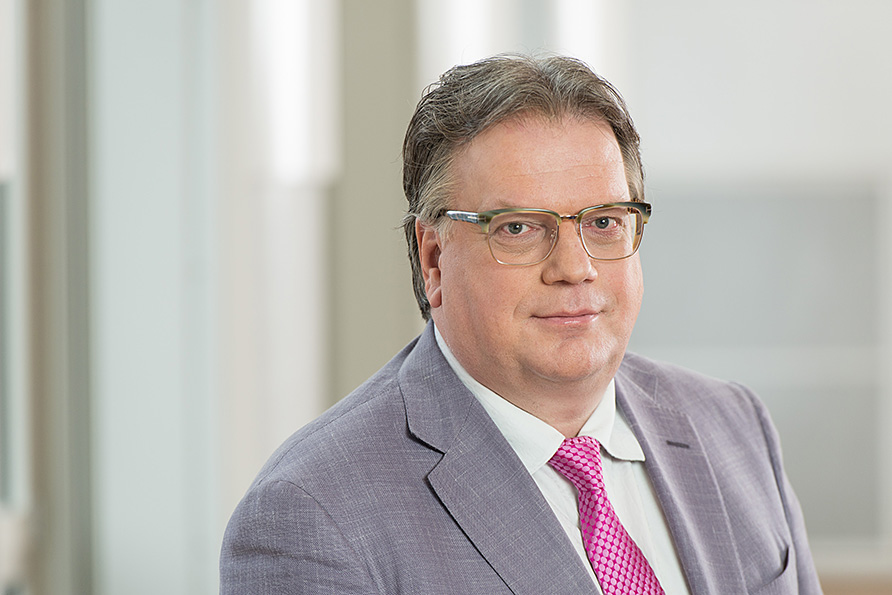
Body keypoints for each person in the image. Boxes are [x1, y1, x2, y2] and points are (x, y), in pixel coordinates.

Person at [220, 54, 822, 594]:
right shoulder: (312, 516)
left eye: (604, 222)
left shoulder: (733, 426)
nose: (575, 268)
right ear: (434, 259)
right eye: (519, 228)